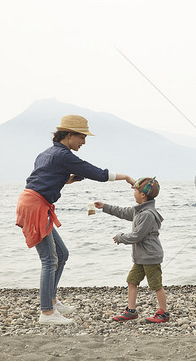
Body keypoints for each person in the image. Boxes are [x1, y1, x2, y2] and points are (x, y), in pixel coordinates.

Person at [16, 115, 135, 324]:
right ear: (69, 135)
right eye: (82, 137)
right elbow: (96, 173)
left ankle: (51, 301)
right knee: (49, 259)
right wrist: (125, 177)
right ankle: (47, 313)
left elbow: (41, 177)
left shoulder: (48, 153)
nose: (84, 142)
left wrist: (67, 179)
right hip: (35, 206)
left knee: (62, 253)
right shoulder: (63, 155)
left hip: (36, 203)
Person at [94, 177, 169, 323]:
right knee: (132, 281)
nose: (133, 192)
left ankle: (163, 313)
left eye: (135, 190)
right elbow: (122, 212)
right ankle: (131, 311)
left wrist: (120, 237)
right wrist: (104, 206)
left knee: (156, 285)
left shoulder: (147, 214)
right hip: (141, 257)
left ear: (143, 195)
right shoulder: (139, 211)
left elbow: (137, 236)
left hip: (150, 257)